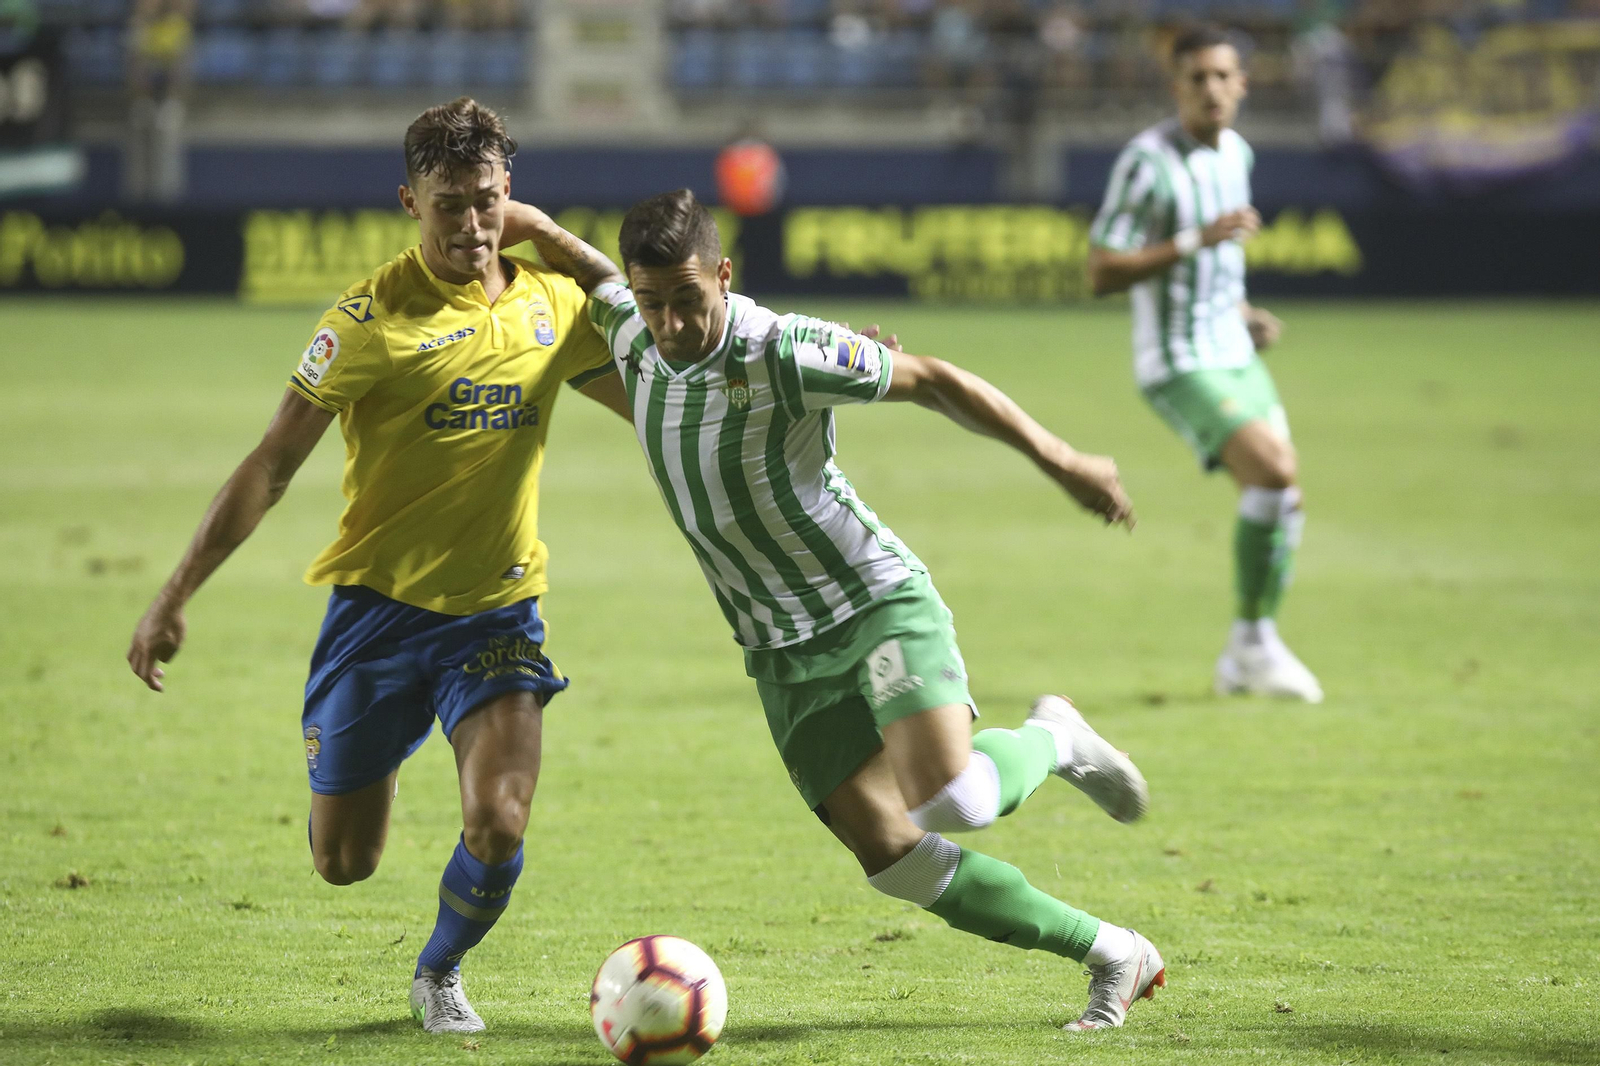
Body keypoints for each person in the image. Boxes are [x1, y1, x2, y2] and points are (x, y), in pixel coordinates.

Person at [502, 190, 1166, 1031]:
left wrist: (1062, 458)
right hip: (775, 648)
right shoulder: (632, 326)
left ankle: (1055, 737)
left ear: (725, 276)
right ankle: (1114, 951)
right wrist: (528, 225)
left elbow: (933, 380)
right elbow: (592, 272)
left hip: (869, 602)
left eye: (687, 300)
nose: (669, 322)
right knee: (893, 857)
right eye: (653, 301)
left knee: (951, 801)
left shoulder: (780, 347)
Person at [126, 97, 629, 1034]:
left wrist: (810, 380)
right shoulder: (365, 322)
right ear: (410, 201)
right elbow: (271, 465)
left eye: (487, 201)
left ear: (509, 192)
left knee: (501, 820)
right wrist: (173, 594)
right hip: (379, 616)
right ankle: (379, 739)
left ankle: (439, 970)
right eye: (449, 206)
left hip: (498, 611)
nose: (472, 227)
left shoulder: (551, 307)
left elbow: (661, 406)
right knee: (344, 862)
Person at [1087, 25, 1322, 703]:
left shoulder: (1236, 154)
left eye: (1224, 77)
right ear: (1177, 87)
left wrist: (1241, 311)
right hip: (1179, 361)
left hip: (1232, 349)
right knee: (1274, 473)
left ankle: (1249, 650)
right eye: (1198, 79)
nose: (1212, 90)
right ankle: (1253, 646)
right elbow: (1102, 270)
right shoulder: (1148, 163)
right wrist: (1195, 239)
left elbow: (1220, 260)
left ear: (1242, 84)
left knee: (1284, 500)